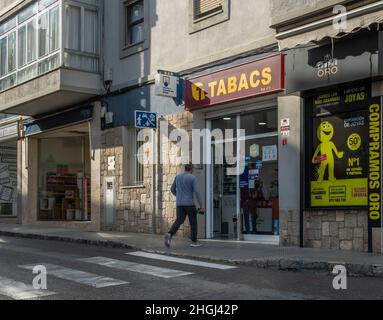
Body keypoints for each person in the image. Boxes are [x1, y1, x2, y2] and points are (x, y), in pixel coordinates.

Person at [165, 164, 205, 248]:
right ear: (191, 169)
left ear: (185, 168)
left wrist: (178, 196)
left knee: (179, 220)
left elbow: (172, 189)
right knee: (193, 222)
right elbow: (197, 192)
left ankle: (170, 233)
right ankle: (194, 242)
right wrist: (201, 205)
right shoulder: (192, 178)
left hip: (179, 204)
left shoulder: (178, 177)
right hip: (189, 204)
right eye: (193, 168)